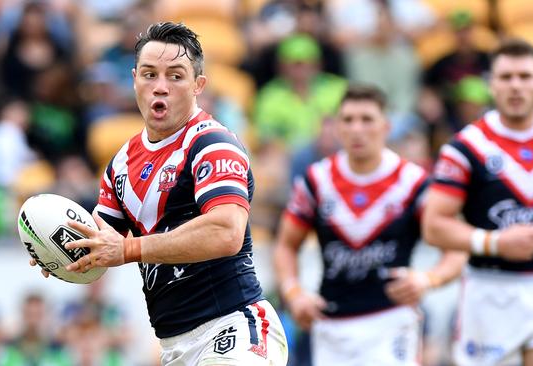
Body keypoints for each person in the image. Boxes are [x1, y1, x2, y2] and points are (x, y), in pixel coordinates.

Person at [30, 22, 288, 365]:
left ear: (198, 85)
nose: (160, 87)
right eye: (150, 75)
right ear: (134, 78)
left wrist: (128, 249)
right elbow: (100, 247)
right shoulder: (121, 164)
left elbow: (226, 232)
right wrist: (58, 249)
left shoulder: (212, 144)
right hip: (173, 345)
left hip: (233, 328)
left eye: (176, 76)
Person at [273, 84, 467, 365]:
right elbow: (286, 245)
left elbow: (457, 246)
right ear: (337, 127)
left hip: (393, 321)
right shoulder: (316, 181)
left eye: (367, 119)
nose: (357, 129)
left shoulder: (412, 182)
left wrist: (428, 279)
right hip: (331, 324)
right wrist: (294, 294)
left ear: (386, 126)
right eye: (348, 120)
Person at [423, 39, 533, 366]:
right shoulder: (465, 148)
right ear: (491, 84)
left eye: (525, 76)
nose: (516, 86)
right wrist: (494, 242)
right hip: (490, 291)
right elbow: (434, 226)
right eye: (506, 77)